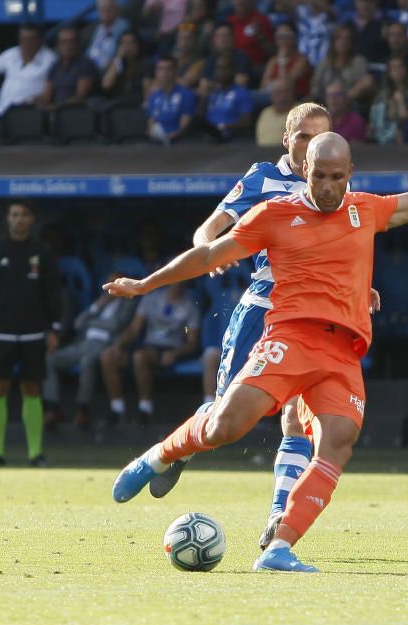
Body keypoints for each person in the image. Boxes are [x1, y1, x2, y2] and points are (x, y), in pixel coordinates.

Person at [106, 124, 408, 574]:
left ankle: (279, 547)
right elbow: (208, 255)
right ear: (305, 171)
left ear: (351, 172)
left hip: (342, 352)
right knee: (226, 426)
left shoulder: (365, 209)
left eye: (338, 177)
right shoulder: (275, 214)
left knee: (337, 441)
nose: (329, 187)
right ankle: (159, 455)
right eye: (320, 177)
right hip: (289, 338)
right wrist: (146, 283)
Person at [142, 103, 331, 516]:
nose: (311, 145)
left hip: (310, 313)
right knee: (223, 414)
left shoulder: (333, 182)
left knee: (297, 418)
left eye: (319, 137)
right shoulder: (263, 177)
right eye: (303, 136)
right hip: (263, 306)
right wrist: (209, 250)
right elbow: (208, 228)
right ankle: (178, 449)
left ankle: (279, 517)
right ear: (287, 139)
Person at [0, 200, 62, 466]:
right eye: (14, 215)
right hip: (0, 332)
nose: (19, 219)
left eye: (24, 215)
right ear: (7, 218)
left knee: (32, 389)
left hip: (34, 333)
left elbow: (52, 293)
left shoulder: (42, 252)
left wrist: (54, 328)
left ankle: (35, 453)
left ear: (32, 219)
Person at [43, 272, 137, 430]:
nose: (111, 288)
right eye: (109, 283)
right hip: (83, 343)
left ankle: (82, 410)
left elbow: (116, 325)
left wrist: (93, 322)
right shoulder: (100, 303)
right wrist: (98, 305)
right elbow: (78, 323)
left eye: (115, 283)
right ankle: (52, 409)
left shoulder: (128, 302)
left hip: (104, 345)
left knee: (87, 362)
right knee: (49, 360)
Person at [100, 282, 200, 425]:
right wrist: (118, 345)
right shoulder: (151, 299)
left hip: (170, 351)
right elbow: (134, 329)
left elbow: (192, 342)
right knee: (108, 356)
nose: (178, 284)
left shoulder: (190, 306)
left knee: (139, 357)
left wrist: (175, 353)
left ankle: (144, 409)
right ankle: (117, 408)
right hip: (148, 346)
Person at [0, 24, 57, 140]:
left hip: (24, 111)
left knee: (1, 129)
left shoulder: (50, 60)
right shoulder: (12, 54)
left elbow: (51, 87)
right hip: (0, 108)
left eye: (30, 39)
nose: (26, 43)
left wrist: (39, 99)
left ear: (40, 40)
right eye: (23, 39)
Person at [37, 26, 99, 112]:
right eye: (63, 42)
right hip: (55, 111)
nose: (67, 46)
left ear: (77, 44)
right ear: (58, 44)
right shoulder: (55, 66)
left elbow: (80, 96)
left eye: (71, 42)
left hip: (76, 113)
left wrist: (57, 106)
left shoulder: (85, 64)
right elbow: (47, 95)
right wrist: (35, 101)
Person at [146, 56, 197, 144]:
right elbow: (151, 122)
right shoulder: (154, 96)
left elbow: (184, 127)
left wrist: (167, 138)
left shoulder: (186, 95)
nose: (164, 73)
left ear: (175, 72)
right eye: (160, 69)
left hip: (178, 143)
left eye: (168, 69)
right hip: (156, 142)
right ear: (156, 72)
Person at [84, 0, 131, 71]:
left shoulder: (124, 27)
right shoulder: (92, 28)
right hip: (88, 69)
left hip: (109, 68)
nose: (106, 12)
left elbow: (122, 53)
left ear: (116, 9)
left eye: (109, 9)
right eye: (102, 9)